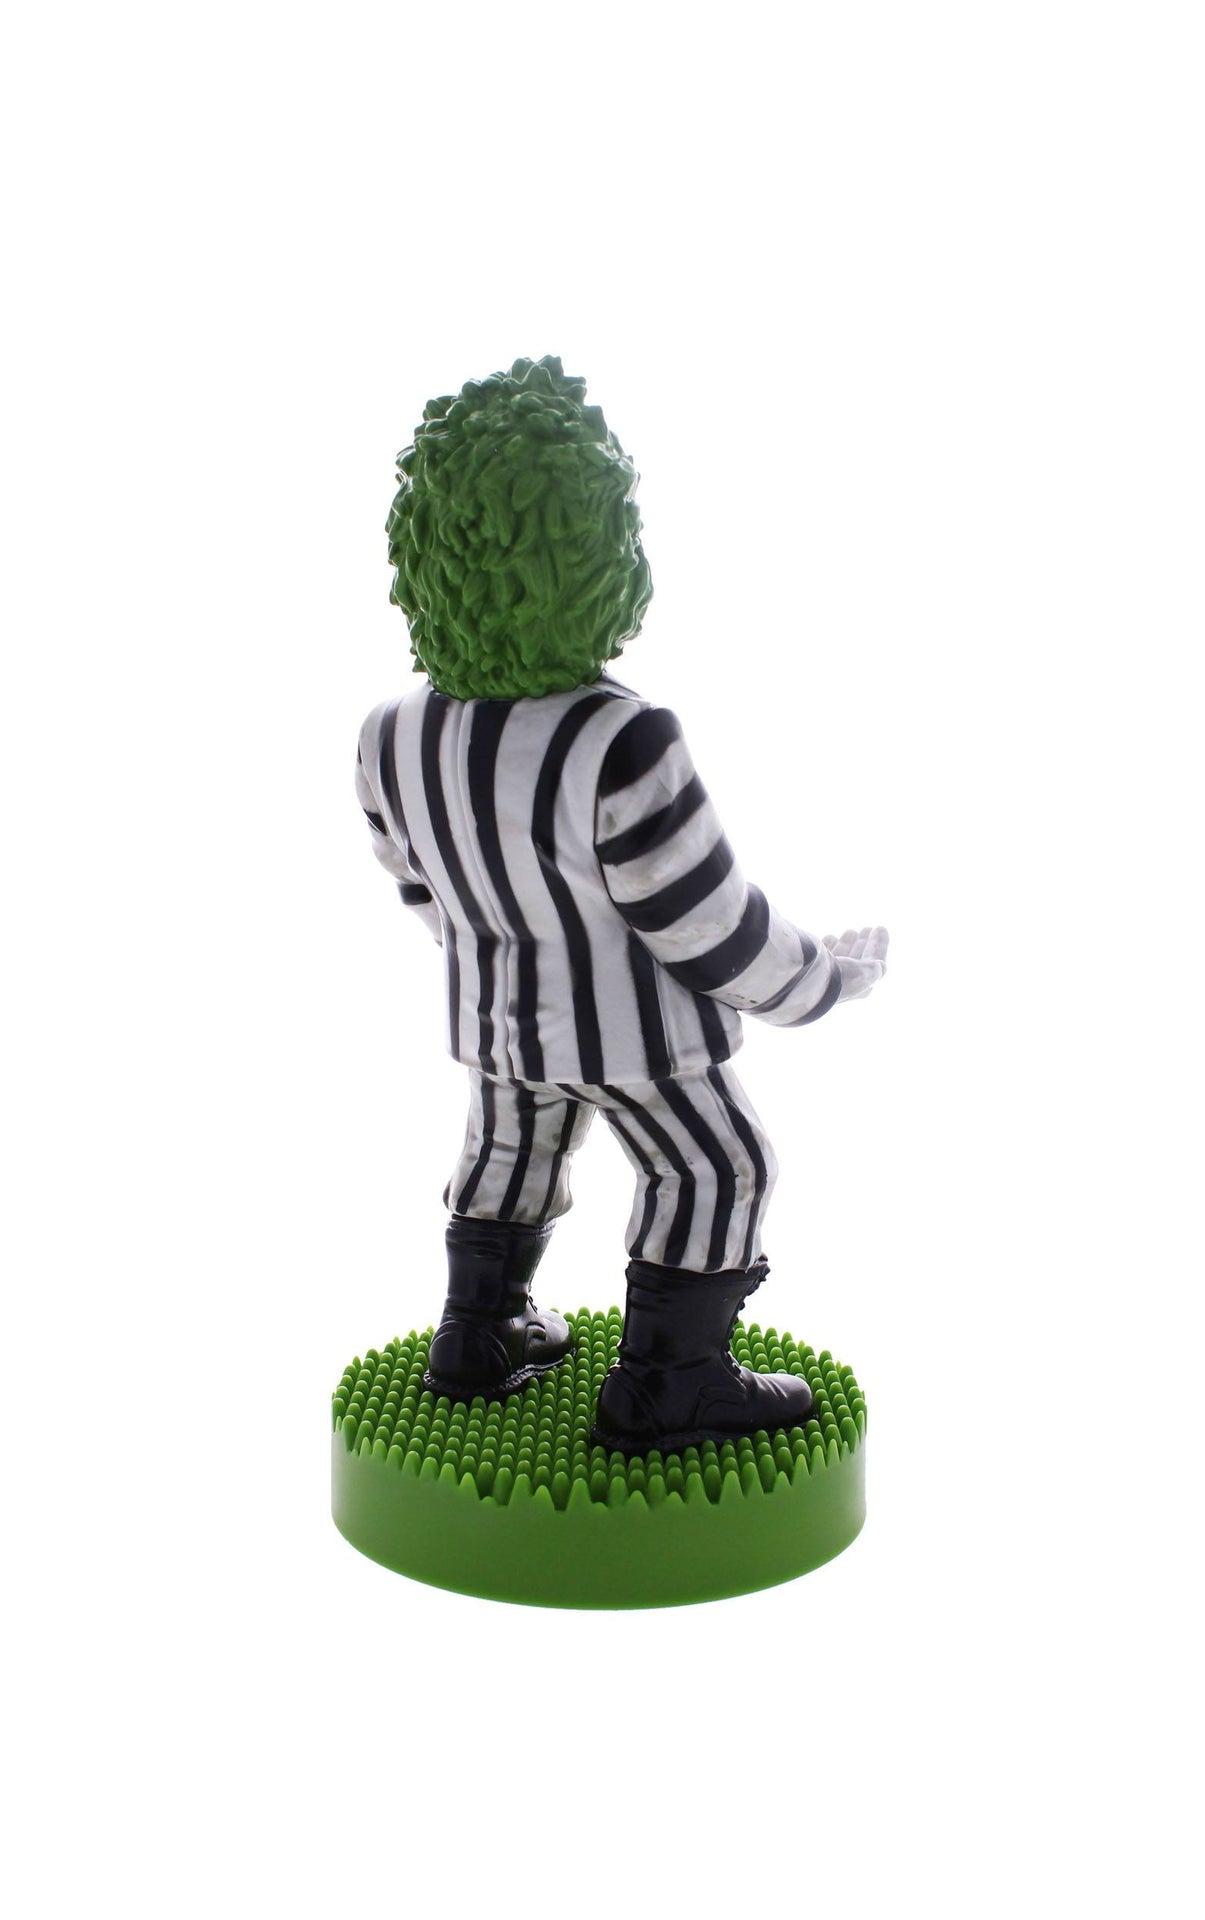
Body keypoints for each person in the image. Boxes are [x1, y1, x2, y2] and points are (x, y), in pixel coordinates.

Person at [356, 355, 887, 1452]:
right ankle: (670, 1384)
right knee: (716, 1165)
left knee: (509, 1154)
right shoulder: (619, 736)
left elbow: (419, 885)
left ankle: (476, 1335)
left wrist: (505, 949)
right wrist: (820, 982)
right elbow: (705, 926)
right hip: (632, 1039)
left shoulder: (390, 732)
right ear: (600, 551)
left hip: (492, 1023)